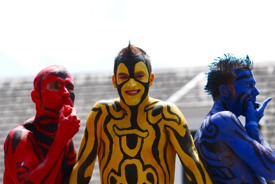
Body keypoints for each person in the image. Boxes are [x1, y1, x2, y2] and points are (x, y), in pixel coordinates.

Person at [69, 44, 212, 184]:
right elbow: (83, 169)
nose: (131, 84)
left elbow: (193, 165)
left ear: (150, 79)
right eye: (124, 77)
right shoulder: (101, 114)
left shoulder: (167, 115)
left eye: (139, 76)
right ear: (114, 81)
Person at [194, 54, 275, 183]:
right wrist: (252, 125)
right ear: (225, 91)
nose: (256, 92)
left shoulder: (211, 124)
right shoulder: (222, 119)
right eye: (249, 85)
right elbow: (272, 167)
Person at [3, 65, 80, 183]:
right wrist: (61, 140)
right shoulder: (20, 137)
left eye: (69, 87)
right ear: (35, 97)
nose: (66, 93)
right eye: (55, 86)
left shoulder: (66, 139)